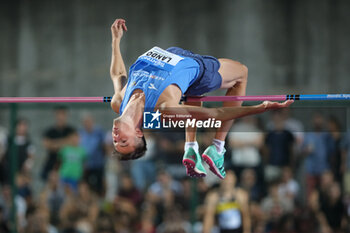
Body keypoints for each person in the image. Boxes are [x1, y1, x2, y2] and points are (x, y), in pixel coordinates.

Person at [109, 18, 293, 179]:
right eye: (123, 141)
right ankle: (217, 149)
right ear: (139, 133)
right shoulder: (163, 109)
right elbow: (215, 113)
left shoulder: (119, 101)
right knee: (241, 73)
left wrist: (116, 41)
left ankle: (191, 146)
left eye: (115, 142)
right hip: (199, 71)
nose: (116, 138)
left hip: (175, 56)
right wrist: (260, 108)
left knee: (190, 95)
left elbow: (118, 74)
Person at [41, 106, 75, 181]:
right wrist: (65, 142)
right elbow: (47, 145)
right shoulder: (49, 131)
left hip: (68, 163)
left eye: (63, 114)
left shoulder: (71, 130)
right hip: (52, 162)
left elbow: (74, 143)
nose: (61, 117)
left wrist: (54, 143)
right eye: (59, 114)